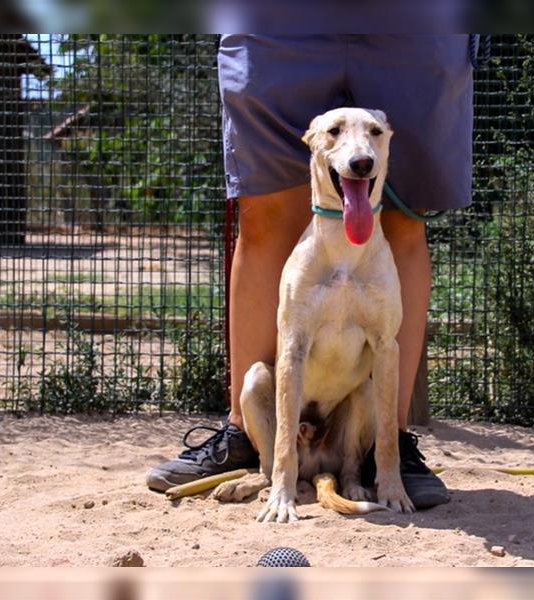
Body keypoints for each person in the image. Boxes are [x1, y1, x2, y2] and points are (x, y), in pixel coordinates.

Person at [147, 34, 474, 510]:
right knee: (259, 219)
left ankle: (388, 456)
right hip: (283, 16)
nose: (359, 151)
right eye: (336, 135)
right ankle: (257, 451)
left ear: (386, 141)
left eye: (372, 137)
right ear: (315, 143)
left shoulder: (373, 164)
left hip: (409, 17)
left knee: (410, 224)